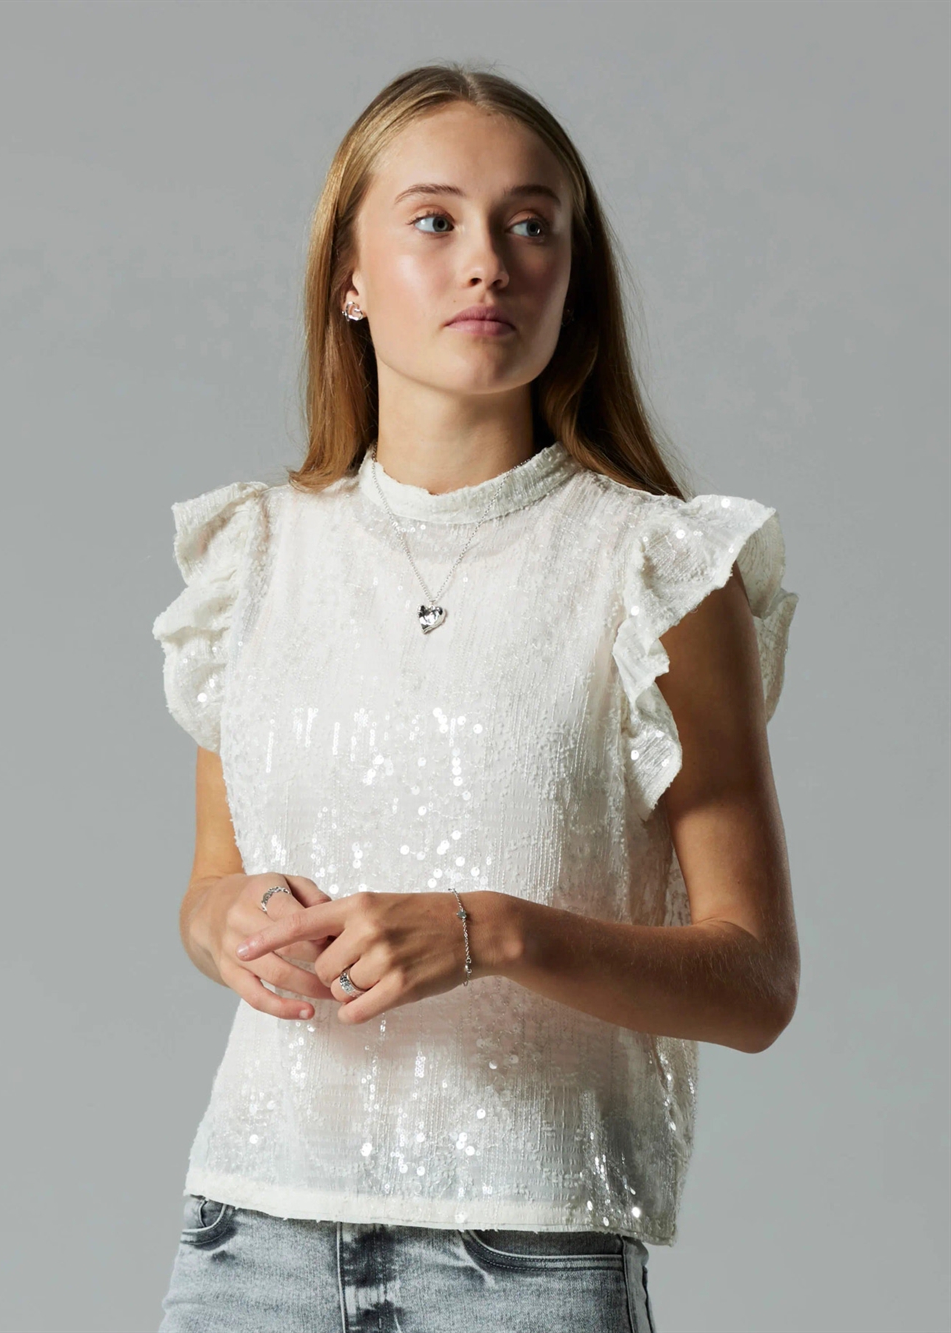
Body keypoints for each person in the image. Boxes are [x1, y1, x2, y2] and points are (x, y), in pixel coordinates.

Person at [151, 61, 800, 1333]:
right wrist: (227, 919)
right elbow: (207, 890)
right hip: (246, 1240)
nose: (488, 263)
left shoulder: (655, 570)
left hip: (527, 1257)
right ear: (348, 276)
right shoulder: (254, 554)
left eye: (530, 224)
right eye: (435, 220)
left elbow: (754, 981)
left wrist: (487, 930)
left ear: (571, 274)